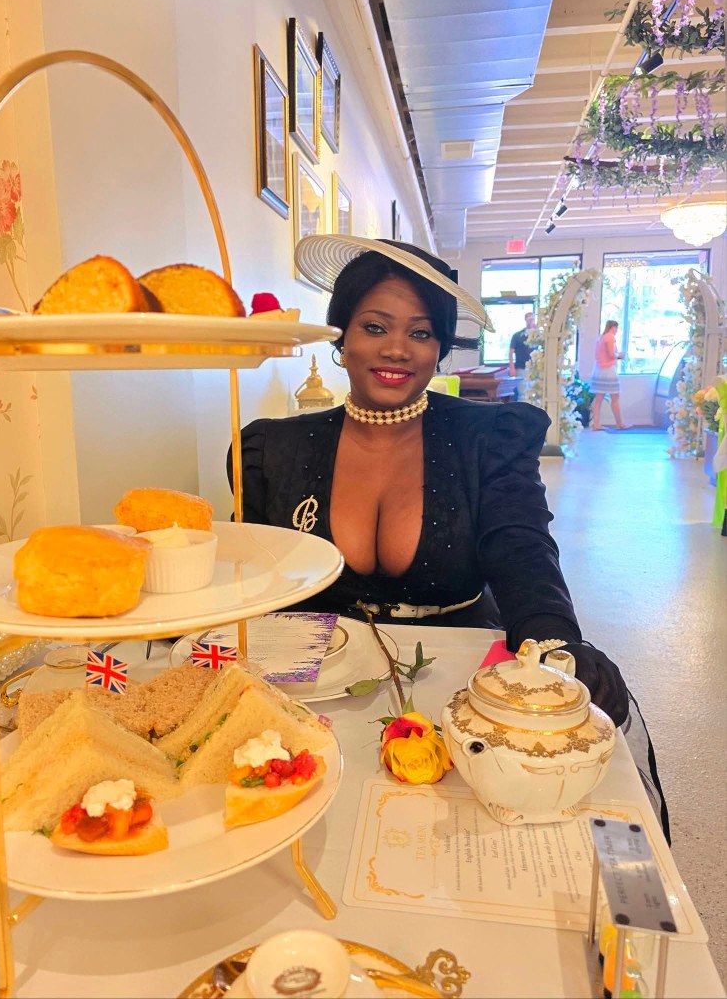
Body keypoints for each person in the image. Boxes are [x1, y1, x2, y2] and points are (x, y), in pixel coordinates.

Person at [227, 236, 668, 836]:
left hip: (458, 679)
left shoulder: (487, 437)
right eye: (375, 326)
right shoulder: (274, 449)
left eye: (421, 332)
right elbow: (250, 569)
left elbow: (522, 546)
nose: (397, 350)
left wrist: (553, 641)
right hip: (319, 688)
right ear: (341, 335)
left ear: (440, 346)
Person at [589, 320, 630, 430]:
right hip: (608, 371)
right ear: (613, 327)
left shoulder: (601, 338)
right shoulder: (610, 337)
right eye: (616, 328)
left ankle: (596, 423)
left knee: (598, 398)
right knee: (615, 397)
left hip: (599, 370)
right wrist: (620, 356)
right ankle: (619, 423)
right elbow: (611, 354)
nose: (616, 331)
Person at [508, 311, 537, 377]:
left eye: (532, 319)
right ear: (525, 320)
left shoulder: (538, 336)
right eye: (529, 319)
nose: (531, 321)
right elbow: (511, 353)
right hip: (521, 368)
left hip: (535, 368)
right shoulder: (517, 335)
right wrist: (512, 368)